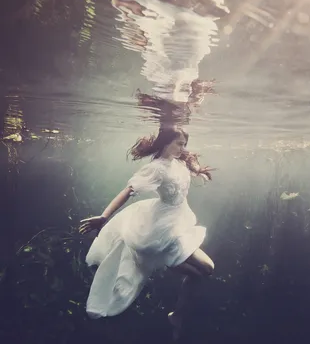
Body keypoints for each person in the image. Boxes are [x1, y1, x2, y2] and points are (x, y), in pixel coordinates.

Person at [79, 126, 215, 339]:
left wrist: (198, 170)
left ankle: (177, 314)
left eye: (184, 144)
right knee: (207, 267)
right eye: (179, 143)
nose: (183, 148)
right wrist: (103, 217)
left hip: (178, 221)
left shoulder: (178, 160)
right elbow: (128, 191)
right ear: (165, 142)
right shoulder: (157, 169)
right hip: (162, 229)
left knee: (201, 273)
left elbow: (188, 159)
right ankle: (168, 263)